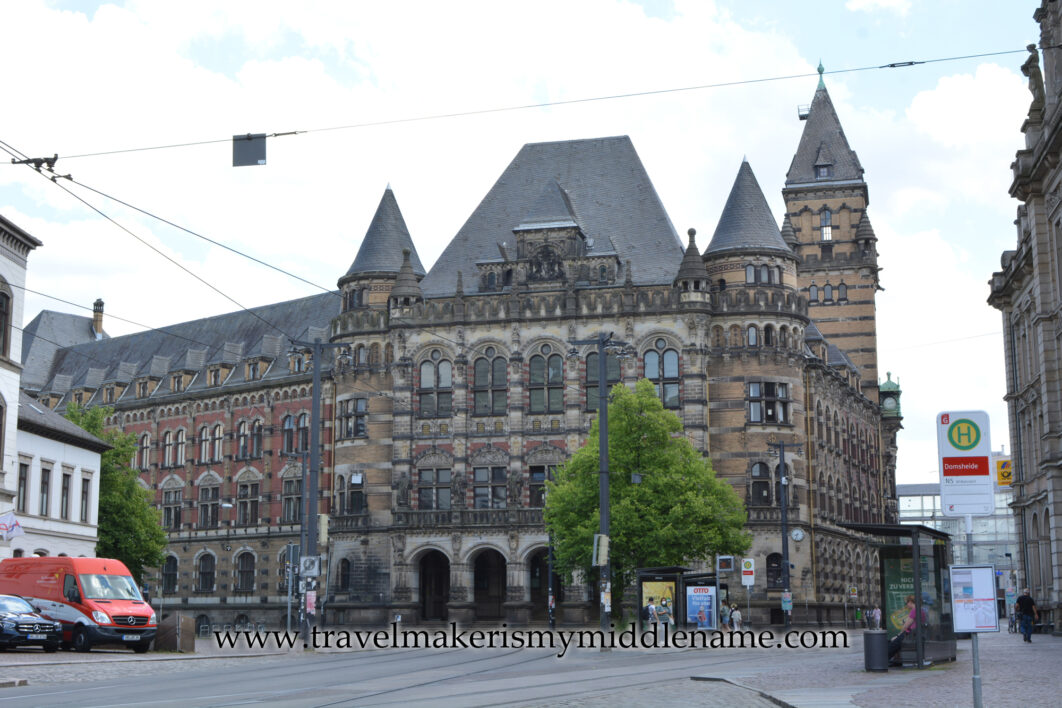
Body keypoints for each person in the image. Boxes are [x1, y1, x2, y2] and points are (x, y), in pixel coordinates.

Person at [888, 595, 917, 665]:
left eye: (907, 603)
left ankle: (883, 660)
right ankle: (896, 660)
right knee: (894, 641)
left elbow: (905, 626)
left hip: (909, 635)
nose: (906, 605)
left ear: (910, 602)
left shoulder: (914, 611)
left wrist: (898, 635)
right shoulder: (920, 610)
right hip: (913, 634)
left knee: (891, 642)